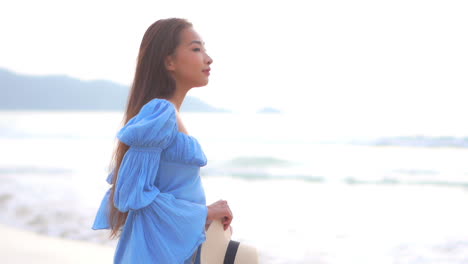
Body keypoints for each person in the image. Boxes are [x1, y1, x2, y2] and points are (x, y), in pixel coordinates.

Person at [91, 18, 233, 264]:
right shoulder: (161, 112)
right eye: (196, 49)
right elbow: (131, 193)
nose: (208, 59)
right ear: (169, 61)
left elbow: (164, 190)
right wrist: (203, 213)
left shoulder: (168, 115)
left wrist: (205, 215)